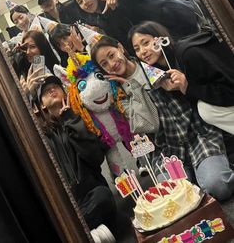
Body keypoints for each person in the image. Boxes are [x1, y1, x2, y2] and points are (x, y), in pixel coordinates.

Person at [90, 35, 234, 201]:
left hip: (197, 135)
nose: (112, 63)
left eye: (111, 55)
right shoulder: (119, 94)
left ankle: (218, 168)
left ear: (120, 47)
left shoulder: (151, 63)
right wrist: (133, 88)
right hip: (166, 150)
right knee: (177, 198)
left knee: (217, 186)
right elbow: (149, 124)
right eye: (104, 64)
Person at [37, 75, 117, 237]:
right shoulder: (40, 134)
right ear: (40, 105)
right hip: (65, 205)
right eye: (45, 91)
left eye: (55, 86)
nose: (52, 89)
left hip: (92, 198)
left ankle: (74, 234)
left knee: (103, 196)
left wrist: (71, 120)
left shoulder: (77, 119)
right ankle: (89, 234)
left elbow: (95, 158)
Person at [128, 21, 234, 134]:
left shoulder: (187, 54)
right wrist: (178, 89)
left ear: (159, 39)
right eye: (137, 49)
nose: (142, 52)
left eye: (145, 43)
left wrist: (188, 88)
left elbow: (229, 90)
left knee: (206, 111)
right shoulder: (163, 73)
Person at [62, 0, 199, 48]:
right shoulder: (101, 20)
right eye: (80, 2)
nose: (85, 2)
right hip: (169, 41)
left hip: (182, 20)